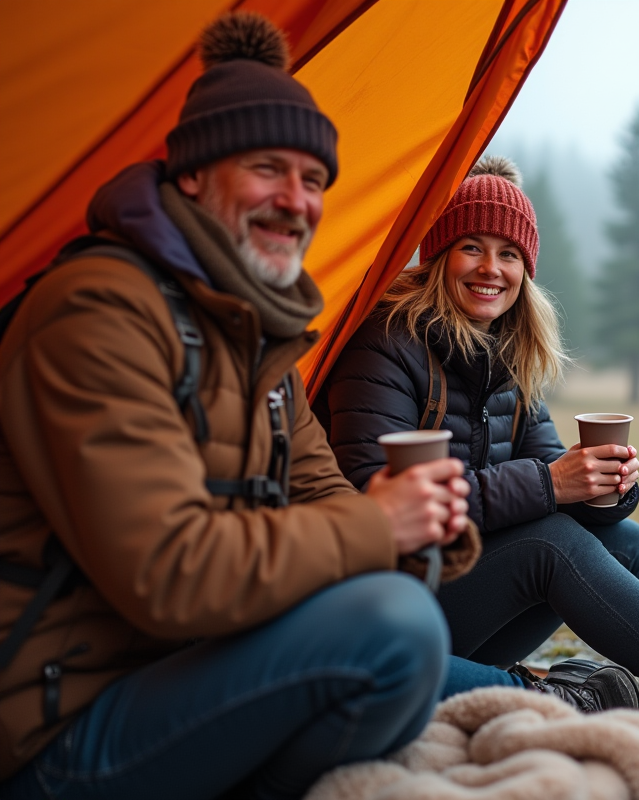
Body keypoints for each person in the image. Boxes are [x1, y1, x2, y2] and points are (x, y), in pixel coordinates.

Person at [0, 13, 474, 800]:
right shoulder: (97, 311)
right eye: (267, 169)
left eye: (314, 181)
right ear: (193, 175)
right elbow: (167, 571)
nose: (296, 201)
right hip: (54, 725)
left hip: (180, 669)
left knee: (410, 637)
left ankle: (558, 695)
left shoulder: (256, 334)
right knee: (395, 633)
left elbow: (327, 503)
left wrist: (424, 523)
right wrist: (376, 526)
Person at [318, 155, 639, 723]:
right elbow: (376, 496)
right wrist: (551, 483)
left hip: (461, 598)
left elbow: (551, 470)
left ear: (526, 269)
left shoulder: (508, 351)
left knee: (619, 536)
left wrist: (605, 488)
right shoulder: (386, 342)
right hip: (397, 607)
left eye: (509, 253)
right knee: (549, 543)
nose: (491, 268)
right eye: (472, 247)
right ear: (439, 254)